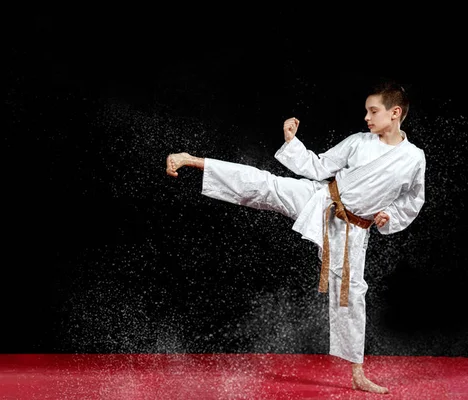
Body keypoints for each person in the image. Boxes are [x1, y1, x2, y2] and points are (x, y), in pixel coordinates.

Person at [165, 80, 426, 394]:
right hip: (321, 198)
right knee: (267, 185)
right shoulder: (359, 141)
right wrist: (292, 142)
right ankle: (194, 160)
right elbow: (319, 166)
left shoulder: (414, 158)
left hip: (351, 229)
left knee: (352, 296)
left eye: (373, 111)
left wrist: (389, 216)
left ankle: (357, 374)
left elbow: (413, 200)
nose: (367, 118)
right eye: (366, 111)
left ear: (395, 113)